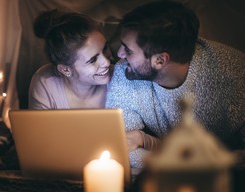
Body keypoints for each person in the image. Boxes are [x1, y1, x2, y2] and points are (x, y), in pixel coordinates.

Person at [105, 1, 245, 168]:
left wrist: (196, 170)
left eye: (128, 50)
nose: (119, 55)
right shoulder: (125, 71)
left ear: (160, 60)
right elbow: (121, 144)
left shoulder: (235, 73)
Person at [29, 9, 113, 109]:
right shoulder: (45, 82)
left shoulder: (119, 77)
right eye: (92, 60)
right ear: (65, 69)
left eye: (105, 48)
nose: (107, 63)